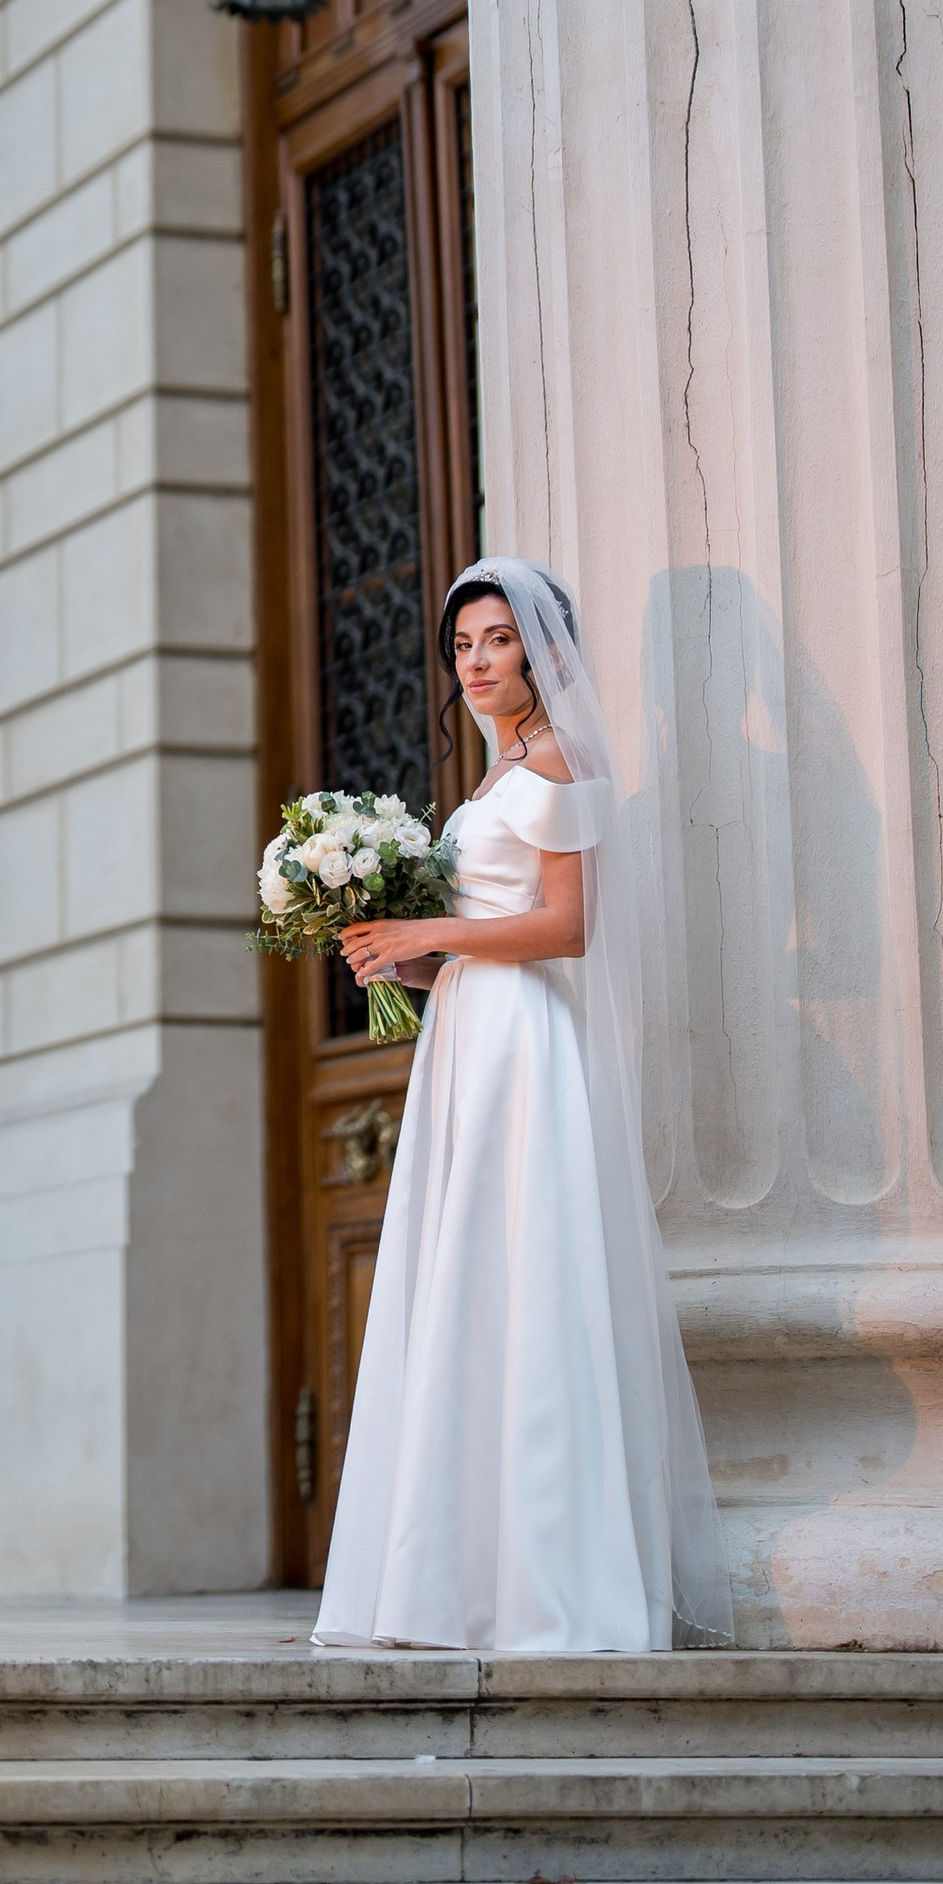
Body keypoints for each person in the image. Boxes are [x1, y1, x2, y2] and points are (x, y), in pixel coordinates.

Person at [312, 556, 732, 1656]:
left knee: (525, 1279)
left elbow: (565, 927)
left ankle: (547, 1581)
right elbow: (478, 927)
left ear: (543, 651)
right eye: (462, 647)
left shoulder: (560, 763)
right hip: (464, 1037)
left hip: (523, 1049)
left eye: (497, 640)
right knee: (466, 1284)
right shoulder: (494, 780)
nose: (478, 663)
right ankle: (453, 1579)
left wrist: (428, 934)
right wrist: (389, 956)